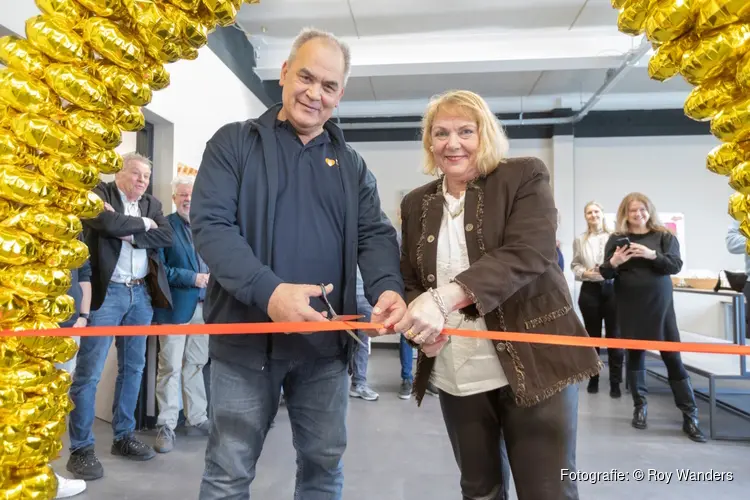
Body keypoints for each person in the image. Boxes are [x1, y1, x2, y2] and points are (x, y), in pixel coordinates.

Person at [190, 27, 407, 499]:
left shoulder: (351, 165)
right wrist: (269, 292)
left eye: (329, 86)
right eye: (306, 77)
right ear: (285, 73)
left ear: (340, 95)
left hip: (325, 351)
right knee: (228, 472)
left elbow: (375, 234)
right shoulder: (232, 144)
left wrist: (387, 286)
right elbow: (211, 227)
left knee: (323, 470)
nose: (314, 93)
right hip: (245, 348)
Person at [395, 89, 601, 500]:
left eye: (465, 131)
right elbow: (413, 279)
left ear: (484, 135)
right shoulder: (417, 203)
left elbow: (532, 251)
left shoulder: (523, 176)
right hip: (459, 371)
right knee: (479, 490)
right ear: (429, 142)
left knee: (548, 491)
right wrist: (422, 328)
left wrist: (444, 299)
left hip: (536, 363)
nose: (452, 143)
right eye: (441, 133)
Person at [66, 152, 173, 480]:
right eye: (136, 174)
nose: (142, 181)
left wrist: (126, 231)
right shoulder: (100, 193)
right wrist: (142, 227)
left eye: (146, 176)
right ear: (120, 173)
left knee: (135, 368)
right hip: (107, 294)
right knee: (89, 372)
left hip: (140, 294)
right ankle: (81, 448)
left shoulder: (153, 204)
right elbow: (104, 222)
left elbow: (165, 236)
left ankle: (123, 436)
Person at [599, 193, 706, 443]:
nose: (638, 215)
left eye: (642, 210)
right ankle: (640, 407)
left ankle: (690, 416)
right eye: (633, 211)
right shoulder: (616, 239)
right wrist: (614, 261)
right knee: (635, 355)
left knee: (672, 357)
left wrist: (651, 255)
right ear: (625, 214)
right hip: (628, 303)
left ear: (650, 211)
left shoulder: (664, 236)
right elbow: (605, 273)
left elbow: (675, 266)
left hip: (660, 304)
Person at [152, 175, 211, 453]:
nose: (188, 198)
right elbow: (159, 269)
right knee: (170, 368)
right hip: (175, 309)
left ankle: (197, 417)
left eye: (192, 194)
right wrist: (193, 278)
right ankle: (166, 425)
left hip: (204, 309)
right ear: (175, 198)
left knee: (196, 365)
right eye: (183, 194)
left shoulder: (207, 226)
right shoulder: (166, 226)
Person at [571, 201, 624, 397]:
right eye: (589, 213)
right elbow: (574, 264)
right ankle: (593, 378)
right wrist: (584, 272)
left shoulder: (615, 237)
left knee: (614, 336)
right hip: (590, 290)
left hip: (612, 289)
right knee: (592, 337)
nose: (593, 215)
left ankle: (615, 382)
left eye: (596, 212)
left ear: (602, 213)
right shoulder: (581, 239)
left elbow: (623, 263)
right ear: (585, 216)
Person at [53, 249, 92, 498]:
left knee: (56, 401)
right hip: (30, 328)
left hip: (70, 326)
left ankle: (42, 472)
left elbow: (84, 272)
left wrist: (84, 316)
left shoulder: (72, 230)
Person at [349, 268, 379, 401]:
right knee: (332, 339)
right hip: (339, 294)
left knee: (362, 341)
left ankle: (359, 383)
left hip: (364, 295)